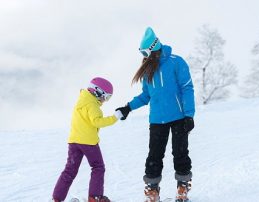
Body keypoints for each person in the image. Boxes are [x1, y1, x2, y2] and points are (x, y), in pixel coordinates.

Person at [116, 27, 195, 202]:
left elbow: (187, 88)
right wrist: (128, 108)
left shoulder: (176, 62)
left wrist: (189, 115)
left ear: (153, 48)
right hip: (157, 120)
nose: (143, 55)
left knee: (180, 152)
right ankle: (152, 189)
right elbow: (146, 96)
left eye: (145, 51)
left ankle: (183, 186)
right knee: (154, 155)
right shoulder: (147, 70)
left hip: (179, 117)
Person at [52, 77, 123, 202]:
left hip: (74, 141)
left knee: (70, 170)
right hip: (88, 143)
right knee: (98, 167)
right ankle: (95, 197)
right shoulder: (92, 105)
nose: (105, 101)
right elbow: (97, 122)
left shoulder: (82, 100)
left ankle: (57, 198)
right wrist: (115, 117)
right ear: (97, 92)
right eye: (106, 97)